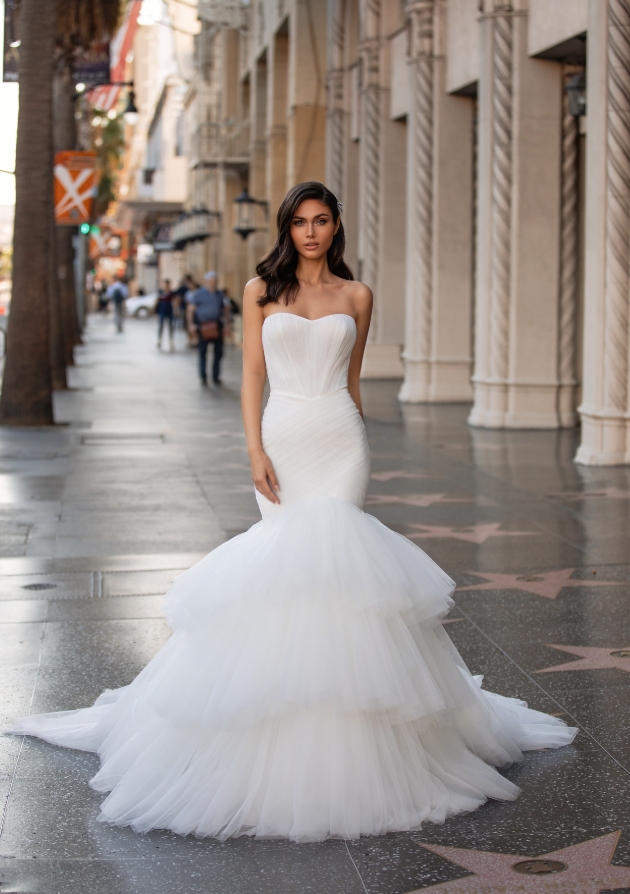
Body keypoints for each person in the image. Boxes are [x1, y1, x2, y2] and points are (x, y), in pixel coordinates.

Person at [7, 182, 576, 842]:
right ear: (287, 228)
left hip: (339, 441)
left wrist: (358, 437)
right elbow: (251, 375)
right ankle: (279, 722)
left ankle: (355, 735)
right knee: (284, 576)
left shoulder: (357, 295)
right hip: (282, 438)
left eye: (322, 221)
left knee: (341, 579)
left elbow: (353, 378)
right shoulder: (260, 292)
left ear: (336, 228)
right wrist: (253, 448)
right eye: (300, 222)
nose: (310, 232)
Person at [187, 271, 225, 385]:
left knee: (218, 352)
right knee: (203, 351)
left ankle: (216, 375)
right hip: (203, 325)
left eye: (215, 282)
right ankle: (203, 376)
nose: (213, 284)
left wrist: (227, 325)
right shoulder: (199, 293)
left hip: (216, 325)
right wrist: (191, 324)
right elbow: (191, 309)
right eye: (211, 282)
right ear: (206, 282)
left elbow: (223, 309)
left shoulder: (219, 294)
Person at [156, 279, 177, 351]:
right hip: (162, 311)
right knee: (161, 326)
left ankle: (171, 340)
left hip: (169, 311)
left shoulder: (171, 293)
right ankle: (159, 340)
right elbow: (157, 301)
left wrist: (175, 310)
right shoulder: (160, 292)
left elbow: (174, 302)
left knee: (170, 326)